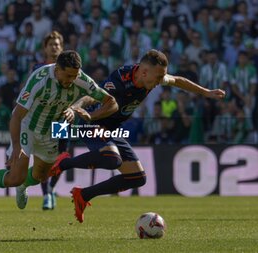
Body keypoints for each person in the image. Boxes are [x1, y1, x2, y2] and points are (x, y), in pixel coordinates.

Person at [49, 49, 226, 223]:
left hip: (111, 128)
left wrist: (205, 92)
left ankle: (84, 195)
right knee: (112, 159)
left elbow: (177, 80)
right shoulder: (120, 79)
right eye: (157, 77)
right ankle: (63, 163)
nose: (159, 82)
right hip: (91, 122)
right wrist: (78, 109)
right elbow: (92, 98)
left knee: (137, 177)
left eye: (161, 77)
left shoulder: (152, 76)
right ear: (144, 72)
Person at [0, 50, 118, 208]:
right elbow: (17, 115)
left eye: (75, 75)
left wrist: (91, 115)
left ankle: (23, 186)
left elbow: (112, 103)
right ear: (57, 69)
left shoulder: (81, 80)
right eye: (68, 75)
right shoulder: (39, 79)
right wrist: (16, 146)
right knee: (15, 178)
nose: (72, 79)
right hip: (27, 127)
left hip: (53, 130)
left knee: (41, 176)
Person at [30, 31, 65, 210]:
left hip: (62, 120)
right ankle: (46, 195)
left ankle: (51, 188)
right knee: (42, 159)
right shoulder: (38, 69)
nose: (54, 47)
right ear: (45, 48)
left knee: (62, 157)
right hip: (42, 119)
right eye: (51, 44)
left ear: (62, 47)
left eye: (57, 44)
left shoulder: (68, 69)